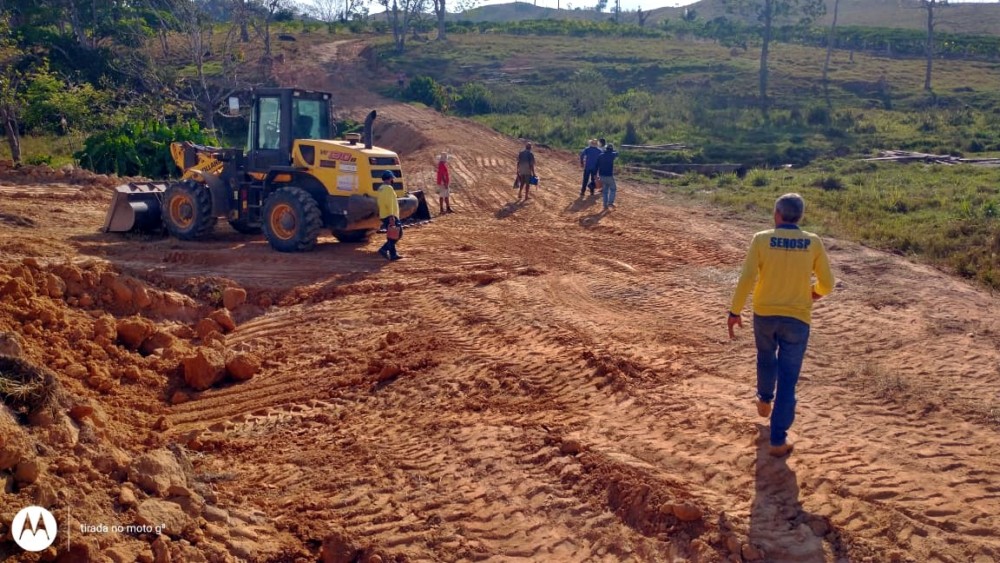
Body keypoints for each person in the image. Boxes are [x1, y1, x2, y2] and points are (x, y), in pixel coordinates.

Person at [727, 193, 835, 458]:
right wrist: (813, 294)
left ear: (777, 214)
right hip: (797, 318)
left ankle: (764, 399)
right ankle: (778, 439)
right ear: (800, 216)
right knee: (788, 379)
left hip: (764, 313)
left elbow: (747, 278)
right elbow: (828, 283)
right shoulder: (813, 242)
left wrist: (735, 311)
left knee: (765, 357)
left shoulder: (761, 239)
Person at [376, 171, 402, 261]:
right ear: (390, 178)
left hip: (384, 214)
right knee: (398, 234)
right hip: (390, 215)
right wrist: (392, 216)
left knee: (391, 235)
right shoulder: (388, 188)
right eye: (392, 178)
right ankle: (384, 249)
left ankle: (393, 254)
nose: (393, 180)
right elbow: (389, 203)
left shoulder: (380, 188)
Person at [596, 143, 618, 211]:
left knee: (605, 191)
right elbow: (617, 153)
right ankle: (610, 203)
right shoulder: (612, 154)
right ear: (611, 149)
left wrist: (596, 175)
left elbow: (597, 165)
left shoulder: (600, 155)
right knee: (613, 189)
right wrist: (613, 151)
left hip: (601, 175)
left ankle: (605, 205)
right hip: (609, 175)